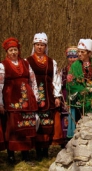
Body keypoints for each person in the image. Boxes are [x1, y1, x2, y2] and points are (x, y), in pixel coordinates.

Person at [0, 37, 39, 163]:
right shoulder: (2, 66)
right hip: (11, 101)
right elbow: (0, 85)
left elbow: (33, 80)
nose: (13, 52)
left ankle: (26, 155)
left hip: (26, 101)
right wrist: (0, 103)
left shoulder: (26, 63)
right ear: (7, 52)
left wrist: (35, 96)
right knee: (11, 128)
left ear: (18, 51)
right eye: (11, 50)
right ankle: (11, 156)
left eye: (15, 50)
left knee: (26, 127)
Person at [27, 32, 62, 160]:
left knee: (48, 123)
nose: (40, 47)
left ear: (45, 46)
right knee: (36, 123)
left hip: (48, 95)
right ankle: (37, 151)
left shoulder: (52, 62)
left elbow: (56, 79)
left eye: (42, 45)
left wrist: (57, 95)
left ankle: (45, 151)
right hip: (34, 95)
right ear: (34, 45)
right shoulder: (28, 61)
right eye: (37, 45)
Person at [66, 39, 92, 138]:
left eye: (82, 52)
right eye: (78, 52)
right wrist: (82, 90)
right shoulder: (74, 66)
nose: (79, 54)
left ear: (89, 53)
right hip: (79, 101)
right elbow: (70, 83)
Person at [60, 46, 78, 147]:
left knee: (76, 115)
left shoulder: (81, 69)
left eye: (74, 57)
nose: (72, 59)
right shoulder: (63, 70)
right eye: (70, 57)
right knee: (65, 117)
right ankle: (65, 140)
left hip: (77, 96)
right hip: (66, 95)